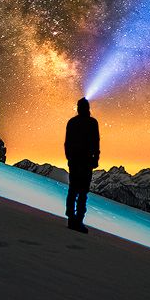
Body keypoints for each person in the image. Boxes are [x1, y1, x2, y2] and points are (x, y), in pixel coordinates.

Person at [64, 97, 100, 233]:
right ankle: (78, 220)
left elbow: (67, 143)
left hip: (76, 161)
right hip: (85, 162)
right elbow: (96, 142)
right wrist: (95, 158)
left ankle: (72, 219)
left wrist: (70, 158)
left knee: (73, 190)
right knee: (82, 191)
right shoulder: (92, 123)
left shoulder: (72, 122)